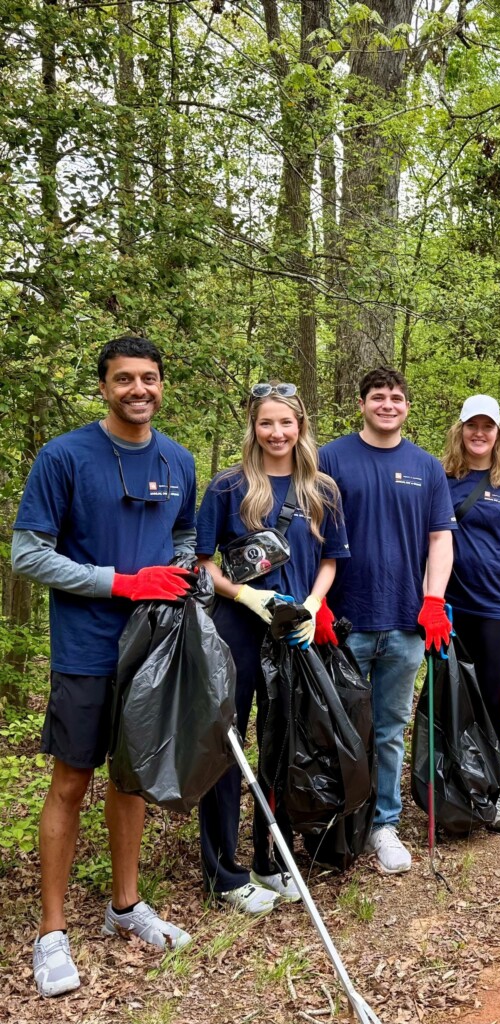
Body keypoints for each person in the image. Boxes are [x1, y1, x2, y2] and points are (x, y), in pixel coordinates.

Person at [12, 336, 197, 997]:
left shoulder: (178, 460)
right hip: (87, 647)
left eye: (149, 378)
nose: (138, 390)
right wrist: (122, 583)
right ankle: (52, 932)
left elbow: (184, 539)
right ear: (104, 387)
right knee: (71, 782)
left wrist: (174, 576)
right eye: (124, 380)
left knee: (131, 779)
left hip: (152, 651)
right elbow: (28, 555)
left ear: (161, 385)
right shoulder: (65, 457)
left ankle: (126, 907)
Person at [195, 382, 347, 912]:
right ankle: (224, 871)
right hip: (236, 631)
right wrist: (243, 594)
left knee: (282, 748)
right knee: (227, 747)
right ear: (253, 428)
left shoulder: (321, 489)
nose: (277, 432)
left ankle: (269, 857)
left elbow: (331, 560)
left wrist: (310, 604)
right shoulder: (228, 487)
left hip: (293, 632)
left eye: (286, 422)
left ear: (301, 425)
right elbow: (201, 560)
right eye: (266, 423)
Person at [319, 367, 456, 874]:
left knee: (389, 729)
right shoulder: (331, 458)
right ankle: (336, 820)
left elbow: (440, 539)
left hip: (405, 622)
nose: (388, 404)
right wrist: (321, 602)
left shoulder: (426, 467)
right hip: (344, 623)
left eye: (397, 398)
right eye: (378, 397)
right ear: (361, 404)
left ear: (407, 407)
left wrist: (434, 600)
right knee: (337, 727)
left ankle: (384, 825)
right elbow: (312, 532)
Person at [441, 395, 500, 832]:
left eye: (488, 426)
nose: (480, 433)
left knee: (491, 701)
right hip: (448, 608)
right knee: (448, 699)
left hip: (496, 609)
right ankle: (448, 790)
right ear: (460, 430)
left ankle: (492, 792)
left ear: (499, 433)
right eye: (472, 425)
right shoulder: (440, 478)